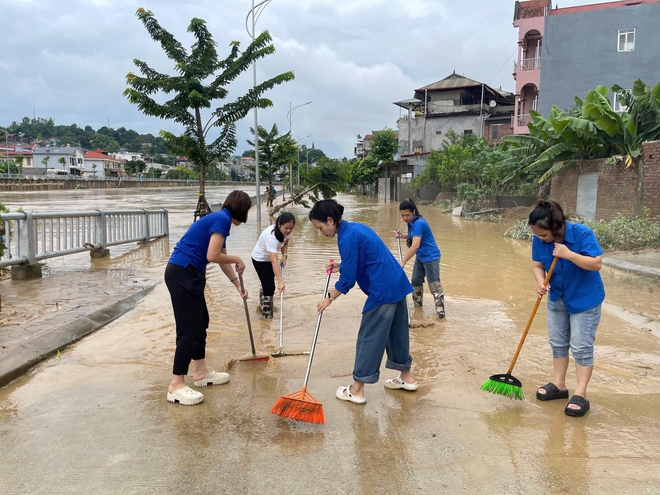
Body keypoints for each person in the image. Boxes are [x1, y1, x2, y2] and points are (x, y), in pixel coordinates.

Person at [310, 199, 417, 405]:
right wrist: (341, 266)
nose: (320, 231)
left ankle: (357, 389)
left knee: (370, 338)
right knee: (397, 334)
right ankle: (407, 378)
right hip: (397, 284)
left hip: (382, 291)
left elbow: (348, 281)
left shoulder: (347, 238)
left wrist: (329, 298)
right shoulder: (356, 229)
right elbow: (362, 261)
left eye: (320, 227)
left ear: (330, 220)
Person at [164, 190, 252, 406]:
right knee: (188, 331)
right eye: (248, 209)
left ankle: (201, 372)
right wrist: (238, 258)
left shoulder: (220, 220)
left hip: (190, 273)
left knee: (201, 322)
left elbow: (220, 259)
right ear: (241, 208)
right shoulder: (222, 220)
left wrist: (237, 285)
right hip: (183, 272)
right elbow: (212, 256)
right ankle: (176, 385)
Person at [529, 199, 605, 417]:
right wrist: (540, 281)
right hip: (557, 297)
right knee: (558, 343)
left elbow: (596, 264)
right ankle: (559, 385)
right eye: (537, 236)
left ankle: (581, 393)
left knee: (581, 346)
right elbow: (536, 265)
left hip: (585, 299)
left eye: (544, 235)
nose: (540, 239)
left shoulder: (582, 233)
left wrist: (568, 254)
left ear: (556, 227)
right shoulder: (539, 240)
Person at [395, 198, 445, 318]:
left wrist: (403, 262)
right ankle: (418, 309)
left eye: (407, 215)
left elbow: (415, 245)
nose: (405, 218)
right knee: (416, 281)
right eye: (402, 216)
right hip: (421, 256)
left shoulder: (419, 223)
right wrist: (403, 236)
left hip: (430, 256)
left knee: (434, 285)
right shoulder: (411, 223)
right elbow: (413, 236)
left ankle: (441, 315)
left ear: (414, 212)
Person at [251, 212, 295, 318]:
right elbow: (274, 262)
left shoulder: (287, 232)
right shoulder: (271, 236)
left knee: (267, 283)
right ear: (279, 224)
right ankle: (266, 316)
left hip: (269, 259)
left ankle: (263, 306)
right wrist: (280, 282)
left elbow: (285, 243)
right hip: (260, 259)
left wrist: (284, 255)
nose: (288, 231)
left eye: (291, 228)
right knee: (270, 287)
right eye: (286, 228)